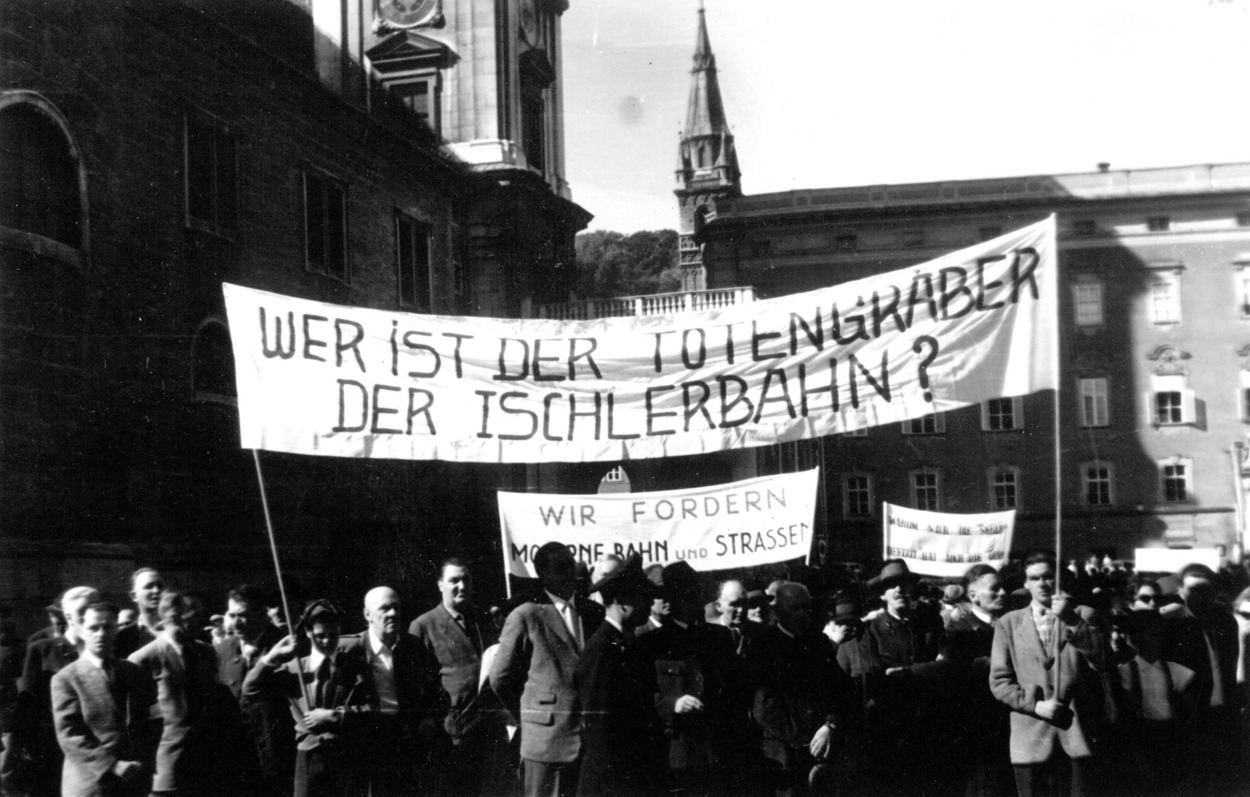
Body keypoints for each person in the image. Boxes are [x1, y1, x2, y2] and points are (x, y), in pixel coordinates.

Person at [490, 542, 604, 797]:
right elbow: (500, 678)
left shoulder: (593, 612)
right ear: (543, 574)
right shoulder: (526, 615)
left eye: (572, 564)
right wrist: (533, 714)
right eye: (561, 567)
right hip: (546, 742)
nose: (571, 573)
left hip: (589, 743)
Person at [990, 552, 1105, 797]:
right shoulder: (1007, 623)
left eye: (1048, 576)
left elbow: (1102, 660)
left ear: (1058, 579)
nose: (1042, 583)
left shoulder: (1082, 615)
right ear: (1025, 583)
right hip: (1030, 741)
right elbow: (999, 682)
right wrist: (1036, 705)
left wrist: (1072, 620)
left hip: (1077, 736)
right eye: (1034, 578)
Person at [635, 562, 742, 796]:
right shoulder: (651, 644)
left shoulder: (720, 637)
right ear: (673, 599)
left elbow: (736, 691)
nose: (695, 600)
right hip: (677, 753)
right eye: (687, 594)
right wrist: (673, 703)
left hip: (718, 751)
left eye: (697, 593)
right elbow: (641, 697)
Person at [243, 600, 365, 797]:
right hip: (307, 758)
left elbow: (371, 708)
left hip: (345, 757)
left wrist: (335, 716)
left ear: (339, 629)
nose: (326, 641)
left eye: (332, 635)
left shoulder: (354, 666)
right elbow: (250, 689)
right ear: (308, 632)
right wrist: (273, 656)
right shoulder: (293, 669)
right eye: (320, 636)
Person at [747, 582, 857, 797]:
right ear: (777, 610)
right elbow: (764, 705)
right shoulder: (762, 646)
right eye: (795, 608)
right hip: (784, 755)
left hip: (823, 749)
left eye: (806, 607)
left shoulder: (819, 643)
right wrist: (806, 740)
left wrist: (830, 725)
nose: (803, 614)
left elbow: (842, 688)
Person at [408, 559, 506, 797]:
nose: (461, 586)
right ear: (441, 584)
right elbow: (416, 684)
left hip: (489, 730)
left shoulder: (484, 620)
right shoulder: (423, 625)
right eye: (454, 580)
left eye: (466, 580)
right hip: (451, 734)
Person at [337, 586, 442, 796]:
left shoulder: (413, 647)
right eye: (384, 609)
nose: (392, 613)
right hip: (367, 745)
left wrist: (430, 717)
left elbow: (434, 689)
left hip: (407, 743)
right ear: (367, 615)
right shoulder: (350, 650)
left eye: (396, 607)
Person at [50, 602, 155, 797]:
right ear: (81, 631)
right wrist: (112, 765)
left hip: (133, 781)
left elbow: (148, 721)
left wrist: (145, 762)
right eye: (93, 628)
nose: (101, 634)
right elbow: (70, 734)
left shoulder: (131, 671)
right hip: (91, 784)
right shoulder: (66, 678)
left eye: (107, 627)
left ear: (116, 629)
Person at [127, 589, 222, 796]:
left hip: (207, 767)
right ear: (176, 617)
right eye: (197, 614)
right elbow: (136, 722)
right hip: (167, 771)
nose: (203, 619)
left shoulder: (207, 652)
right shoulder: (142, 660)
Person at [575, 556, 655, 797]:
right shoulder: (601, 649)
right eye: (643, 597)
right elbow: (598, 729)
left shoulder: (627, 642)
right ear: (621, 602)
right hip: (610, 783)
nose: (650, 603)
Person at [1162, 563, 1243, 792]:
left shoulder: (1225, 621)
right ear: (1180, 591)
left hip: (1223, 711)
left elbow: (1232, 663)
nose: (1199, 596)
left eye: (1205, 589)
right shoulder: (1172, 623)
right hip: (1189, 714)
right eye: (1193, 589)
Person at [21, 586, 100, 797]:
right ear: (68, 616)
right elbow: (27, 706)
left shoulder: (105, 650)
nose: (91, 616)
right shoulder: (42, 649)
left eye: (95, 608)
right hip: (51, 749)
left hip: (96, 748)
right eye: (83, 611)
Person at [214, 584, 288, 797]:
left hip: (275, 752)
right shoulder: (222, 649)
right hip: (236, 756)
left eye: (243, 615)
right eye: (231, 615)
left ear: (262, 613)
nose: (235, 622)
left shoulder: (284, 644)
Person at [946, 563, 1006, 659]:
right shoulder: (961, 629)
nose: (1003, 592)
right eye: (995, 588)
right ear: (973, 596)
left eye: (1002, 587)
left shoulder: (1009, 621)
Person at [115, 569, 164, 659]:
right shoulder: (123, 637)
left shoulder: (179, 630)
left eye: (160, 586)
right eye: (149, 586)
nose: (156, 590)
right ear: (134, 596)